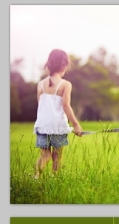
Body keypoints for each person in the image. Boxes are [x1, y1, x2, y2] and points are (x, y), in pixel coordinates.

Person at [33, 49, 83, 179]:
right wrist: (76, 125)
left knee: (45, 155)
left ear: (48, 65)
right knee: (57, 158)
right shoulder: (65, 84)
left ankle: (36, 176)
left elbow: (41, 105)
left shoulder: (40, 85)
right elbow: (66, 106)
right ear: (64, 66)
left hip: (42, 126)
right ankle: (55, 180)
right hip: (57, 126)